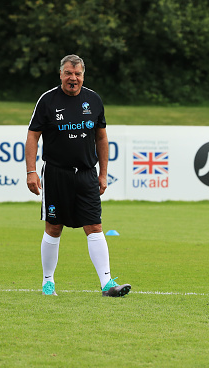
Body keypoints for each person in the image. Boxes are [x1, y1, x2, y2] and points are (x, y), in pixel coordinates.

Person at [25, 54, 130, 297]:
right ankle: (48, 282)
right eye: (69, 73)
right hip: (56, 174)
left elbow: (101, 137)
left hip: (86, 174)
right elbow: (33, 136)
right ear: (61, 75)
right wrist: (31, 171)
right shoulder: (47, 100)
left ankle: (107, 284)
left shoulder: (93, 100)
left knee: (95, 226)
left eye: (78, 74)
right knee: (54, 227)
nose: (73, 78)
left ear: (83, 75)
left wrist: (103, 174)